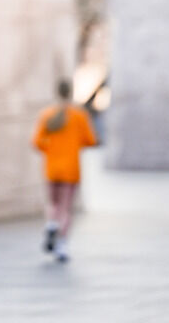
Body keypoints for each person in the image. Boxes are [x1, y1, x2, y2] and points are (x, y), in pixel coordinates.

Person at [32, 78, 98, 262]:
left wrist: (51, 149)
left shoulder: (46, 115)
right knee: (66, 208)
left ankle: (51, 225)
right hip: (71, 168)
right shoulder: (79, 116)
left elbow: (37, 142)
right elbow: (91, 140)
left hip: (52, 167)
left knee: (53, 203)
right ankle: (62, 245)